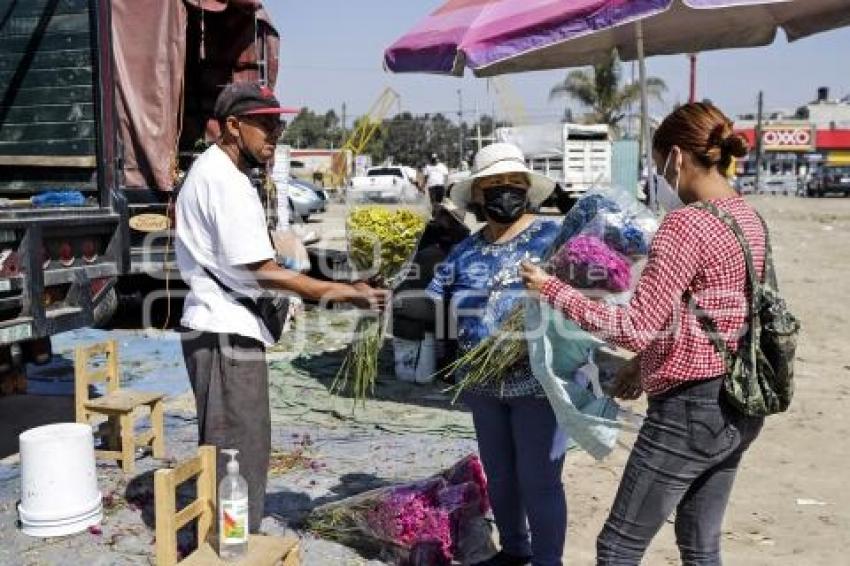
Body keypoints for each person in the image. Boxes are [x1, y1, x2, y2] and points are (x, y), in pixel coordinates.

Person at [520, 102, 765, 566]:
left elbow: (633, 326)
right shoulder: (747, 218)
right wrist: (644, 363)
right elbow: (712, 314)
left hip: (688, 411)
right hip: (739, 400)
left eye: (658, 167)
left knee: (617, 547)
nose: (661, 179)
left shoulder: (685, 223)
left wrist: (552, 289)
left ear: (676, 156)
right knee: (700, 544)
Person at [175, 81, 387, 533]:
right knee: (237, 449)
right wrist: (345, 293)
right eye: (264, 125)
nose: (275, 135)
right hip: (224, 333)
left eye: (279, 124)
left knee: (237, 444)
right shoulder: (225, 182)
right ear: (233, 126)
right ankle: (231, 546)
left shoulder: (220, 172)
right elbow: (266, 273)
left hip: (222, 326)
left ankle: (231, 537)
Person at [428, 143, 565, 566]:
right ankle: (514, 548)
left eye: (515, 184)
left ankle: (547, 560)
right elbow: (434, 300)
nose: (506, 192)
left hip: (538, 381)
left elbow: (586, 296)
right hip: (482, 383)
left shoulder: (554, 239)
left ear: (527, 189)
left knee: (538, 478)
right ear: (478, 195)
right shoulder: (465, 249)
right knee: (501, 476)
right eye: (495, 185)